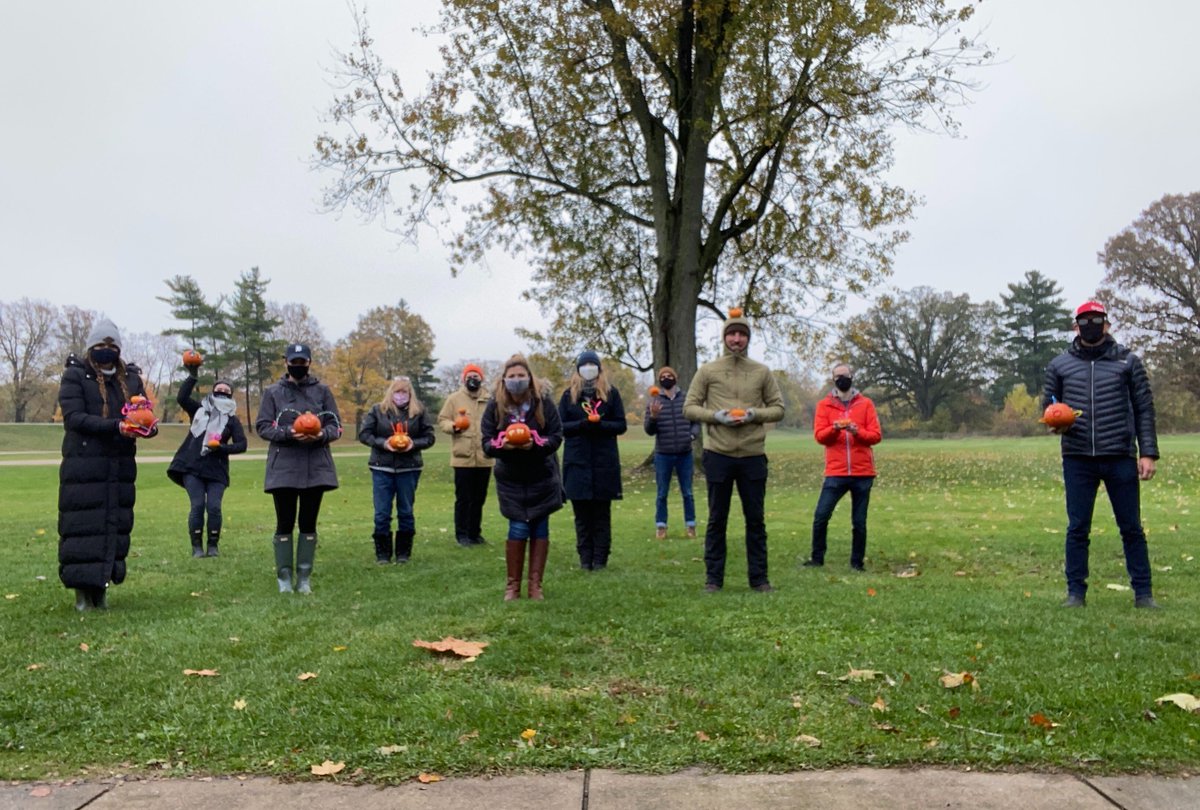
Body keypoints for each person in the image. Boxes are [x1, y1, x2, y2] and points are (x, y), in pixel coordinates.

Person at [1043, 300, 1160, 609]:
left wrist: (1148, 452)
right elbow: (1048, 406)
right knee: (1077, 527)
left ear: (1107, 324)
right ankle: (1075, 594)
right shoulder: (1060, 365)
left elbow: (1144, 409)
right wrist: (1055, 422)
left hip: (1119, 454)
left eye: (1097, 319)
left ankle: (1143, 594)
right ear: (1075, 325)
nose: (1091, 324)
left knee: (1131, 527)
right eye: (1085, 320)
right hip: (1078, 456)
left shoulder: (1129, 362)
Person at [57, 318, 158, 610]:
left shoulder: (130, 380)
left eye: (112, 346)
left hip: (119, 467)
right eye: (101, 346)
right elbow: (74, 418)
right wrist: (116, 427)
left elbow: (141, 415)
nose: (106, 350)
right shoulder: (75, 376)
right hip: (84, 466)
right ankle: (81, 592)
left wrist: (146, 427)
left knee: (115, 523)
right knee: (81, 526)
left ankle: (101, 589)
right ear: (91, 348)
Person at [684, 310, 785, 592]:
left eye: (741, 334)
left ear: (748, 338)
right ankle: (713, 580)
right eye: (732, 334)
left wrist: (753, 414)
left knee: (755, 520)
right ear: (724, 338)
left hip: (753, 455)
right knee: (717, 519)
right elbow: (689, 407)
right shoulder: (708, 371)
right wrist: (717, 416)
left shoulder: (762, 372)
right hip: (719, 454)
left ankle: (760, 579)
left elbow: (778, 408)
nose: (736, 339)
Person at [255, 343, 342, 594]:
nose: (298, 366)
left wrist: (320, 435)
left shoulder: (323, 391)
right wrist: (288, 433)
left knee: (308, 521)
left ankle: (304, 575)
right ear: (286, 362)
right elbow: (263, 426)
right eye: (294, 362)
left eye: (303, 362)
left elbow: (334, 425)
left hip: (316, 466)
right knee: (284, 521)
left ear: (309, 363)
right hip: (284, 465)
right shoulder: (273, 392)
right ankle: (284, 576)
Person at [481, 354, 563, 600]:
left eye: (521, 375)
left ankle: (535, 584)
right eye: (512, 376)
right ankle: (512, 585)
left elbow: (556, 436)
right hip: (511, 478)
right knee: (517, 526)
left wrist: (535, 446)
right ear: (504, 380)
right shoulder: (494, 406)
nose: (516, 380)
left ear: (529, 379)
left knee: (540, 526)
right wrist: (502, 447)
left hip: (542, 476)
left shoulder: (544, 403)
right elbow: (486, 442)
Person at [805, 363, 882, 571]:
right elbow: (820, 436)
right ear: (833, 381)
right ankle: (817, 557)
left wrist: (857, 432)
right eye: (837, 377)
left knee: (859, 521)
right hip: (836, 472)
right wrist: (835, 429)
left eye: (845, 376)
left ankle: (857, 562)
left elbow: (875, 436)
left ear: (852, 377)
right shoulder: (824, 406)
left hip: (863, 472)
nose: (842, 379)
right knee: (821, 515)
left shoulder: (866, 404)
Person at [166, 367, 248, 558]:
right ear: (212, 392)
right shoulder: (199, 411)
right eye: (219, 389)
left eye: (227, 391)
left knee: (214, 507)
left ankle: (213, 546)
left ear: (231, 396)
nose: (222, 392)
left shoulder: (232, 420)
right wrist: (193, 375)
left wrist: (221, 448)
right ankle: (196, 547)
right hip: (191, 466)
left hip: (216, 469)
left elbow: (242, 444)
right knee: (197, 506)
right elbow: (182, 398)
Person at [559, 350, 628, 570]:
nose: (589, 368)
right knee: (582, 516)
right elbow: (560, 427)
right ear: (578, 369)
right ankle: (584, 559)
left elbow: (621, 425)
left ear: (599, 369)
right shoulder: (568, 396)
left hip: (603, 463)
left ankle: (600, 559)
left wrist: (600, 425)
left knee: (601, 515)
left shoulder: (611, 394)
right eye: (584, 364)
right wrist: (581, 425)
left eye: (592, 364)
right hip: (577, 463)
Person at [358, 376, 435, 564]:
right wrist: (384, 443)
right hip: (381, 467)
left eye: (404, 392)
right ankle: (382, 553)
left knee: (406, 511)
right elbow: (365, 434)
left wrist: (413, 444)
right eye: (397, 391)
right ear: (391, 393)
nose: (400, 395)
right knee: (382, 512)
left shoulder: (419, 412)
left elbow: (429, 437)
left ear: (410, 394)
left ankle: (403, 552)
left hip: (409, 468)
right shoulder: (378, 411)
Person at [436, 364, 494, 547]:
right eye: (469, 376)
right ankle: (461, 534)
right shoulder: (454, 399)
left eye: (476, 376)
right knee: (464, 498)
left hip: (484, 457)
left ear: (481, 379)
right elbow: (442, 420)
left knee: (479, 498)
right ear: (463, 378)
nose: (473, 379)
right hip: (462, 457)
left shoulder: (490, 400)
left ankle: (475, 533)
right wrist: (453, 426)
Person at [643, 365, 699, 540]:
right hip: (663, 454)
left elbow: (696, 422)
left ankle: (690, 525)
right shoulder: (654, 402)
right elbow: (649, 430)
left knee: (688, 492)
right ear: (660, 380)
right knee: (662, 493)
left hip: (685, 453)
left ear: (675, 378)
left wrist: (691, 435)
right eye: (663, 376)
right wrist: (653, 417)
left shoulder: (686, 399)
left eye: (669, 375)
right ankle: (661, 526)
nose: (666, 378)